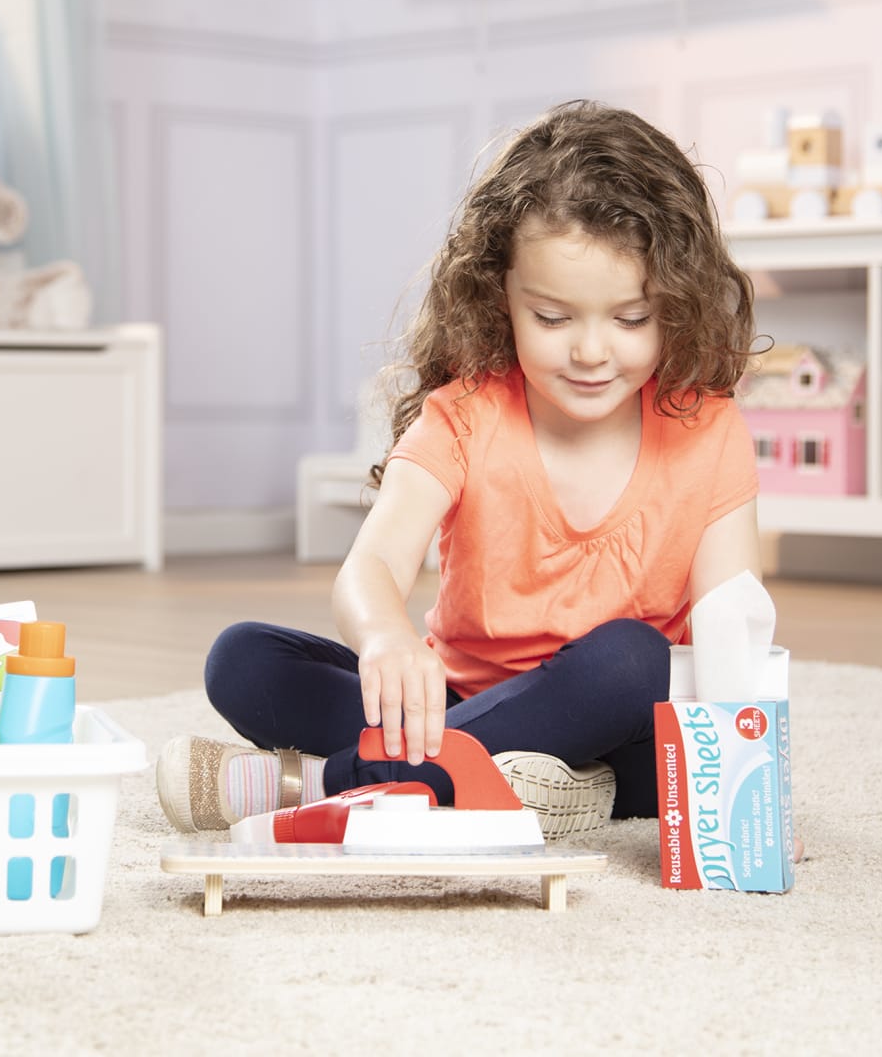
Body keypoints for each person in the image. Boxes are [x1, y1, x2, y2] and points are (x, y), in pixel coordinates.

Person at [157, 99, 762, 839]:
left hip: (615, 722)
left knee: (637, 664)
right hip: (446, 705)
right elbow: (371, 564)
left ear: (677, 302)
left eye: (631, 320)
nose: (592, 350)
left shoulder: (709, 427)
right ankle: (509, 781)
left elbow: (733, 630)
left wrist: (747, 787)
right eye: (552, 318)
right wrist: (387, 639)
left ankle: (332, 784)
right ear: (498, 295)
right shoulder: (466, 413)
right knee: (243, 659)